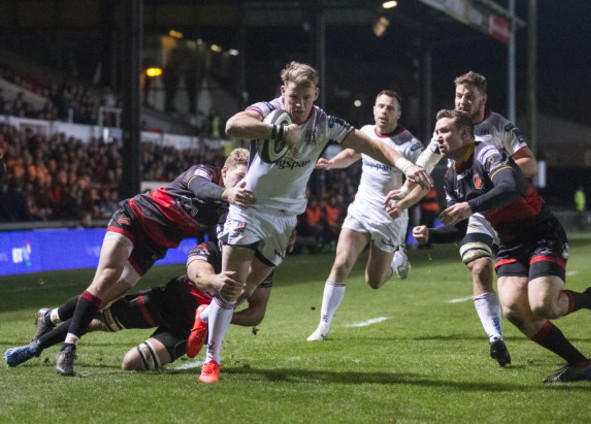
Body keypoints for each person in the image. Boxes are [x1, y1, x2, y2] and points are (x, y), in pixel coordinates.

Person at [187, 61, 432, 383]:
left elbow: (370, 144)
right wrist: (277, 130)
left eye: (305, 97)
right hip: (249, 208)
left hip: (286, 219)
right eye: (293, 96)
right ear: (282, 93)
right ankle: (212, 361)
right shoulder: (269, 110)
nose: (298, 104)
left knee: (245, 290)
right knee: (232, 283)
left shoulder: (326, 123)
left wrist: (404, 164)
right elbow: (234, 125)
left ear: (315, 95)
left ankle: (205, 314)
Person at [412, 109, 591, 383]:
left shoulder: (487, 153)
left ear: (465, 133)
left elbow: (509, 186)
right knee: (513, 309)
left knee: (543, 306)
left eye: (445, 131)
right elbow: (460, 228)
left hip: (542, 234)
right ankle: (580, 364)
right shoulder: (451, 177)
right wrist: (430, 235)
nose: (438, 137)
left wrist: (470, 206)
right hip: (511, 245)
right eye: (436, 132)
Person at [28, 148, 255, 376]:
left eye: (248, 181)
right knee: (106, 278)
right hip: (134, 217)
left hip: (153, 247)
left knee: (105, 295)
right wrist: (226, 195)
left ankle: (49, 317)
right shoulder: (202, 173)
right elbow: (201, 189)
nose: (242, 184)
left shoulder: (226, 208)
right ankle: (68, 349)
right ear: (225, 171)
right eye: (239, 177)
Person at [387, 71, 538, 367]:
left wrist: (498, 176)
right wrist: (403, 195)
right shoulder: (448, 129)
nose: (463, 101)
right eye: (459, 96)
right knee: (480, 267)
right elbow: (424, 168)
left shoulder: (499, 126)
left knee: (534, 297)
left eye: (469, 96)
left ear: (483, 98)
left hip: (507, 211)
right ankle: (496, 339)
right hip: (473, 213)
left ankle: (584, 302)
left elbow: (529, 163)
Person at [5, 239, 272, 371]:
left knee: (130, 364)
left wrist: (218, 317)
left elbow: (257, 313)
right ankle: (36, 346)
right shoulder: (213, 248)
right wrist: (216, 280)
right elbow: (198, 275)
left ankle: (51, 321)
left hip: (186, 331)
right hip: (165, 302)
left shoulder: (264, 271)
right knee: (98, 319)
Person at [306, 90, 425, 342]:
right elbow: (353, 154)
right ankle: (323, 327)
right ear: (373, 109)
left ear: (398, 114)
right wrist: (331, 163)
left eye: (390, 108)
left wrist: (403, 204)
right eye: (380, 106)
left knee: (374, 281)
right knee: (340, 263)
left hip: (389, 216)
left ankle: (396, 261)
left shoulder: (410, 145)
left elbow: (422, 184)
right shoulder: (367, 131)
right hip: (361, 209)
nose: (384, 111)